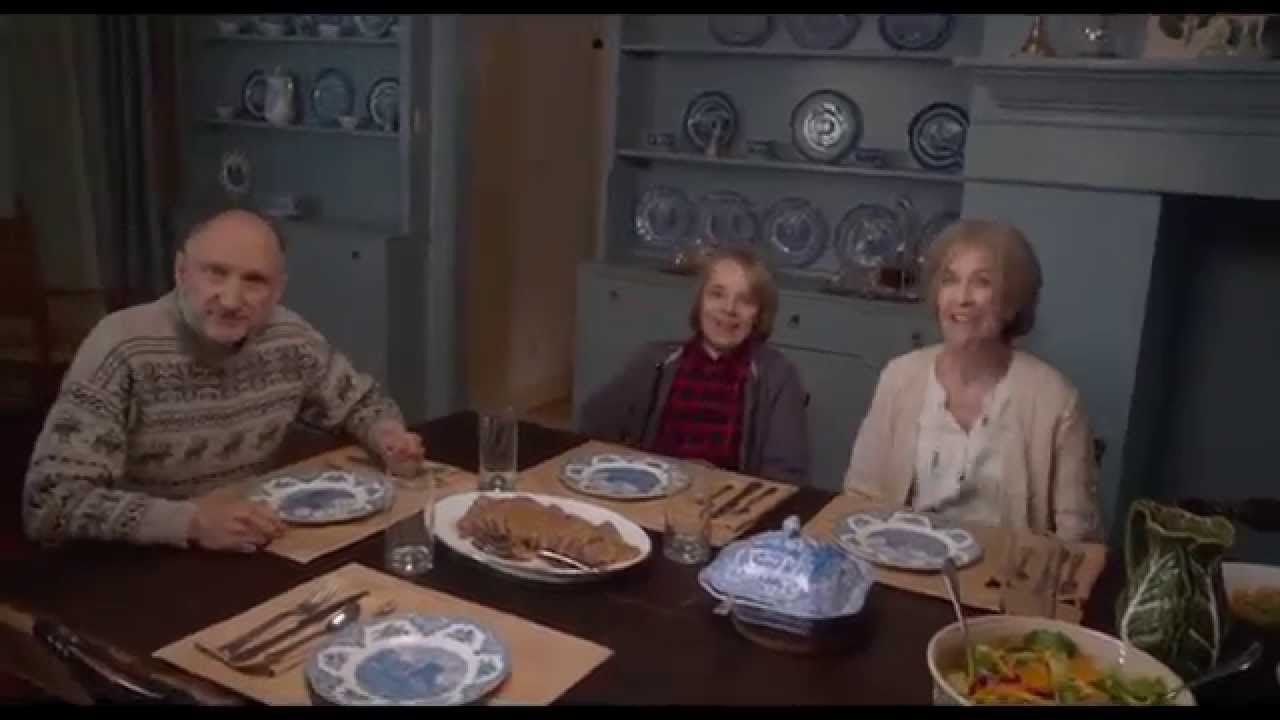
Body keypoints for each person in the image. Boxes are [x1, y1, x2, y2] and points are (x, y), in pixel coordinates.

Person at [21, 208, 425, 553]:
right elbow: (50, 501)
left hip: (250, 541)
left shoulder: (291, 338)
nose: (231, 300)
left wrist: (387, 436)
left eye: (255, 280)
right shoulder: (121, 346)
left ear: (278, 290)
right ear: (181, 271)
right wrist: (191, 523)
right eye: (215, 273)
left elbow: (362, 403)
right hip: (143, 558)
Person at [842, 219, 1102, 541]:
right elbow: (860, 496)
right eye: (949, 280)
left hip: (1006, 569)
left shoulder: (1056, 400)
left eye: (982, 283)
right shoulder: (899, 376)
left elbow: (1078, 539)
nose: (962, 298)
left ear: (1011, 303)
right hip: (902, 558)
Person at [579, 248, 810, 484]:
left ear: (759, 314)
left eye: (745, 300)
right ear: (700, 302)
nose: (729, 309)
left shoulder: (778, 376)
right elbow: (592, 423)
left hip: (730, 498)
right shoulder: (653, 360)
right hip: (654, 490)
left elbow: (786, 474)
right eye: (717, 294)